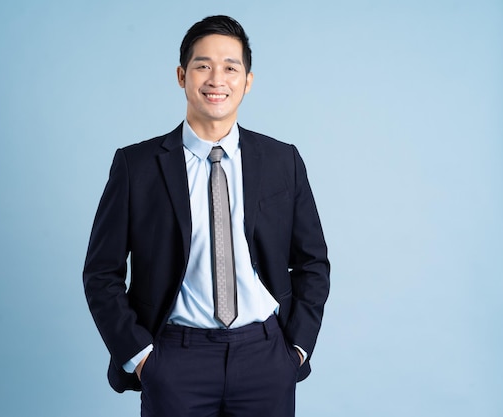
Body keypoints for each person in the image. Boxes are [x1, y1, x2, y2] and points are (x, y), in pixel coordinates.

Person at [83, 15, 330, 417]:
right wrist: (141, 357)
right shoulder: (137, 166)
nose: (217, 79)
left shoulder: (283, 161)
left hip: (265, 356)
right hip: (175, 358)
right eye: (203, 66)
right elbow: (100, 272)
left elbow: (313, 263)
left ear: (247, 81)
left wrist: (297, 350)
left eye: (231, 67)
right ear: (182, 75)